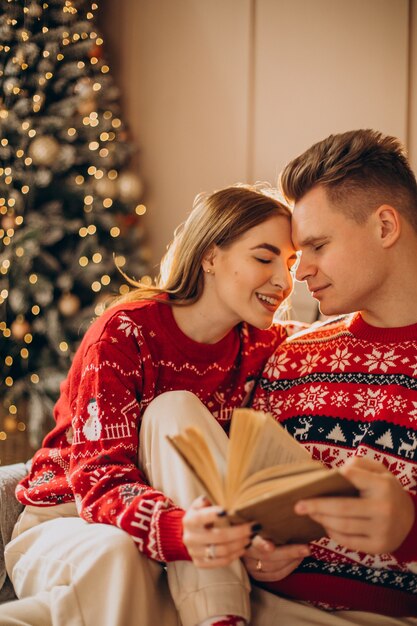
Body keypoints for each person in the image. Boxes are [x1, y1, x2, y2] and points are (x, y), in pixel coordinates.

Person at [2, 184, 301, 626]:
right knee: (119, 552)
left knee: (126, 579)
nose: (285, 281)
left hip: (185, 543)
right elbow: (98, 477)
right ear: (210, 256)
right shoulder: (125, 334)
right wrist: (177, 530)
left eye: (291, 263)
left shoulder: (264, 344)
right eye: (264, 257)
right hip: (71, 517)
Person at [248, 129, 417, 625]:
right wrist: (250, 545)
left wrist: (408, 527)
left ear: (385, 226)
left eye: (318, 246)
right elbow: (247, 498)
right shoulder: (291, 358)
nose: (299, 273)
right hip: (247, 605)